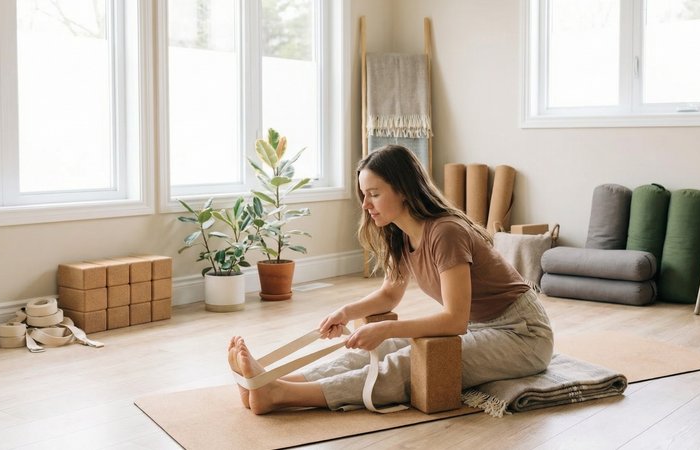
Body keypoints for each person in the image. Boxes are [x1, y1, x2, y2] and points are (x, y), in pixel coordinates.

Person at [229, 144, 553, 415]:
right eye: (363, 195)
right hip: (480, 325)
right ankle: (278, 382)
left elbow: (454, 320)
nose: (366, 205)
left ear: (404, 191)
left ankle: (280, 395)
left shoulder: (446, 232)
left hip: (522, 333)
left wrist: (385, 327)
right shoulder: (399, 234)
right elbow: (388, 296)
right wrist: (347, 312)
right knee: (383, 346)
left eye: (374, 194)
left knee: (405, 359)